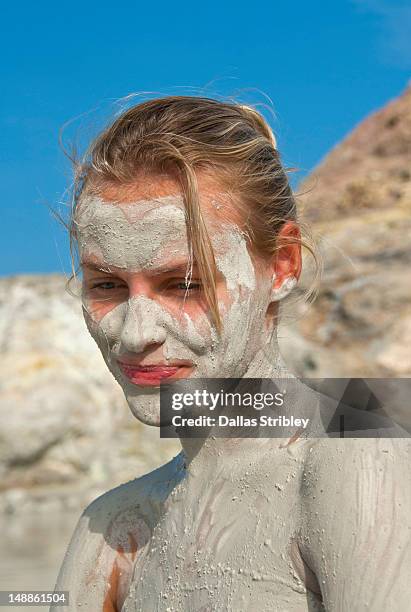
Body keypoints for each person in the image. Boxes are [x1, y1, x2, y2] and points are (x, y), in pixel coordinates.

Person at [52, 96, 410, 611]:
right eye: (106, 285)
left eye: (184, 284)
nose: (135, 335)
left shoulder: (358, 457)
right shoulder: (111, 526)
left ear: (282, 266)